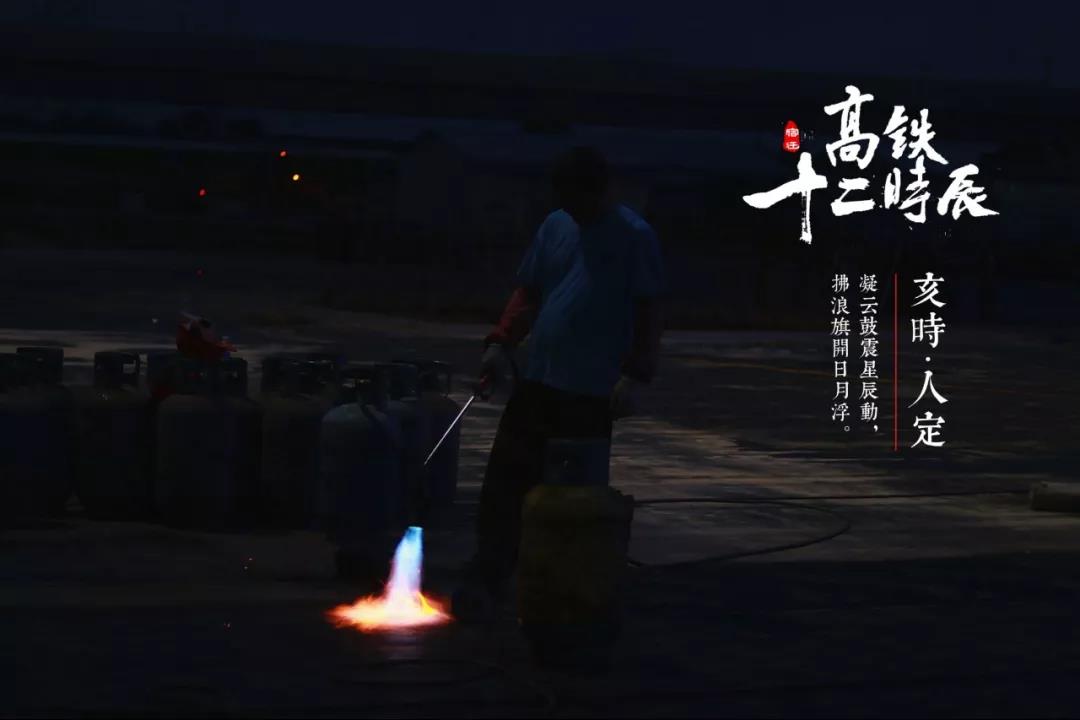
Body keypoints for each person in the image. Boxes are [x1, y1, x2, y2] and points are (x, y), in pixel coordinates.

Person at [452, 146, 665, 621]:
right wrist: (501, 343)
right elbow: (530, 291)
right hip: (538, 381)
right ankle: (488, 579)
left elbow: (648, 311)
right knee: (505, 488)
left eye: (578, 198)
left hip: (588, 393)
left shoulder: (634, 237)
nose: (572, 207)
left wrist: (635, 374)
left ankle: (565, 591)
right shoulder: (556, 225)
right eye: (564, 198)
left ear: (600, 191)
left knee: (572, 500)